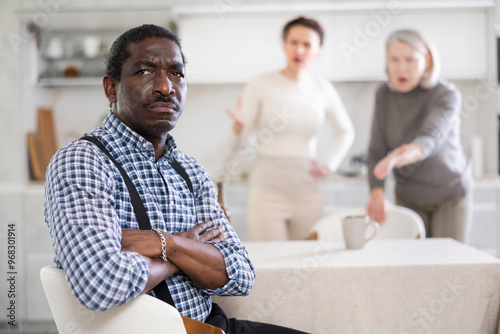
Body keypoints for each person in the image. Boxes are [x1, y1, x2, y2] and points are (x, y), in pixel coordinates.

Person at [44, 24, 308, 334]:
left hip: (212, 327)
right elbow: (101, 284)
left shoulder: (191, 171)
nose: (166, 87)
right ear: (111, 89)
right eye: (145, 72)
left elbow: (240, 275)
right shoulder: (83, 161)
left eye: (177, 73)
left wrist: (161, 244)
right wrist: (184, 247)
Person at [226, 16, 355, 241]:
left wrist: (329, 165)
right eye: (294, 42)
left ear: (319, 51)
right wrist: (238, 128)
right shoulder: (261, 84)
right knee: (270, 264)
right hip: (267, 193)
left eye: (307, 45)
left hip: (308, 194)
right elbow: (236, 145)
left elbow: (346, 132)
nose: (300, 50)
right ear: (284, 45)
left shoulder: (322, 88)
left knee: (304, 263)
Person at [366, 29, 472, 242]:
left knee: (448, 266)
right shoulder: (384, 95)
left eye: (410, 60)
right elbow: (376, 151)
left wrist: (403, 155)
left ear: (427, 60)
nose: (401, 68)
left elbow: (430, 138)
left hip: (450, 194)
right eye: (394, 60)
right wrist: (377, 193)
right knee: (413, 266)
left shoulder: (445, 94)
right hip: (408, 195)